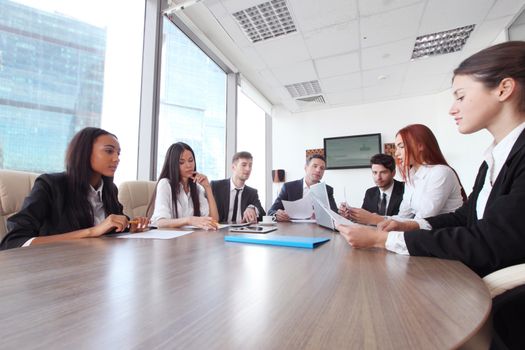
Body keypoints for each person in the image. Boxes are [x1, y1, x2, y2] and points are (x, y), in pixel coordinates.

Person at [337, 41, 525, 349]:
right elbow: (466, 218)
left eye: (461, 97)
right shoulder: (493, 158)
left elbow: (492, 240)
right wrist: (409, 226)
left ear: (504, 89)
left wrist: (384, 239)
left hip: (506, 305)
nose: (453, 108)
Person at [0, 127, 149, 250]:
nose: (117, 158)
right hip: (58, 269)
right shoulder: (50, 185)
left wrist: (130, 227)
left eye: (118, 153)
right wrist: (91, 232)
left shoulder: (109, 190)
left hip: (96, 267)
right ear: (85, 152)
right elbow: (14, 242)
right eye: (109, 151)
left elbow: (111, 227)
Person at [148, 142, 219, 230]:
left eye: (191, 160)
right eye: (181, 162)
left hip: (189, 239)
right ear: (173, 165)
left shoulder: (196, 188)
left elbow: (214, 220)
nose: (188, 165)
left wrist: (207, 188)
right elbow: (160, 222)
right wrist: (189, 220)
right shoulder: (165, 184)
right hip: (168, 241)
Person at [268, 154, 337, 221]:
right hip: (292, 229)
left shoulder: (327, 190)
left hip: (318, 230)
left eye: (322, 168)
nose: (318, 170)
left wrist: (343, 214)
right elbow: (271, 211)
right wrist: (276, 215)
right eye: (315, 166)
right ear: (306, 168)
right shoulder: (289, 187)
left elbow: (334, 214)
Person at [339, 153, 404, 224]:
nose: (378, 177)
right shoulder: (370, 192)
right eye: (375, 172)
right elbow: (363, 220)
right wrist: (349, 217)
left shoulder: (405, 190)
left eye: (383, 172)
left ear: (393, 173)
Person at [211, 151, 265, 223]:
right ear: (233, 167)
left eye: (250, 165)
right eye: (244, 165)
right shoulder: (216, 186)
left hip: (242, 232)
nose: (248, 169)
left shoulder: (252, 192)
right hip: (219, 231)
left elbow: (263, 214)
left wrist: (253, 208)